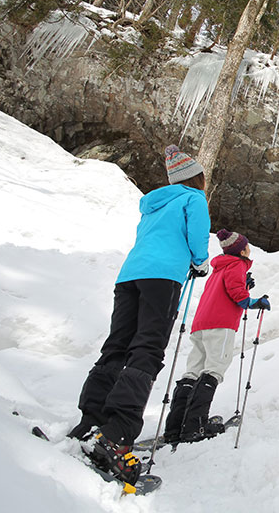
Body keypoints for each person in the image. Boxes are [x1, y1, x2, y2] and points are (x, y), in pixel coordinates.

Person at [68, 145, 211, 484]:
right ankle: (117, 434)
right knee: (147, 348)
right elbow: (197, 236)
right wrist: (200, 262)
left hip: (129, 275)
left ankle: (90, 422)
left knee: (117, 346)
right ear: (196, 178)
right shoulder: (193, 199)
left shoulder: (153, 204)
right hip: (163, 278)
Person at [162, 229, 270, 444]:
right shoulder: (237, 265)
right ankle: (195, 426)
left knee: (193, 371)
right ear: (241, 251)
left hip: (201, 324)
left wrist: (244, 285)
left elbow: (227, 290)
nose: (249, 249)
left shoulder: (219, 268)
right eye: (247, 246)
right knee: (214, 370)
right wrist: (254, 302)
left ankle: (175, 427)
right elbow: (237, 295)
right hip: (221, 324)